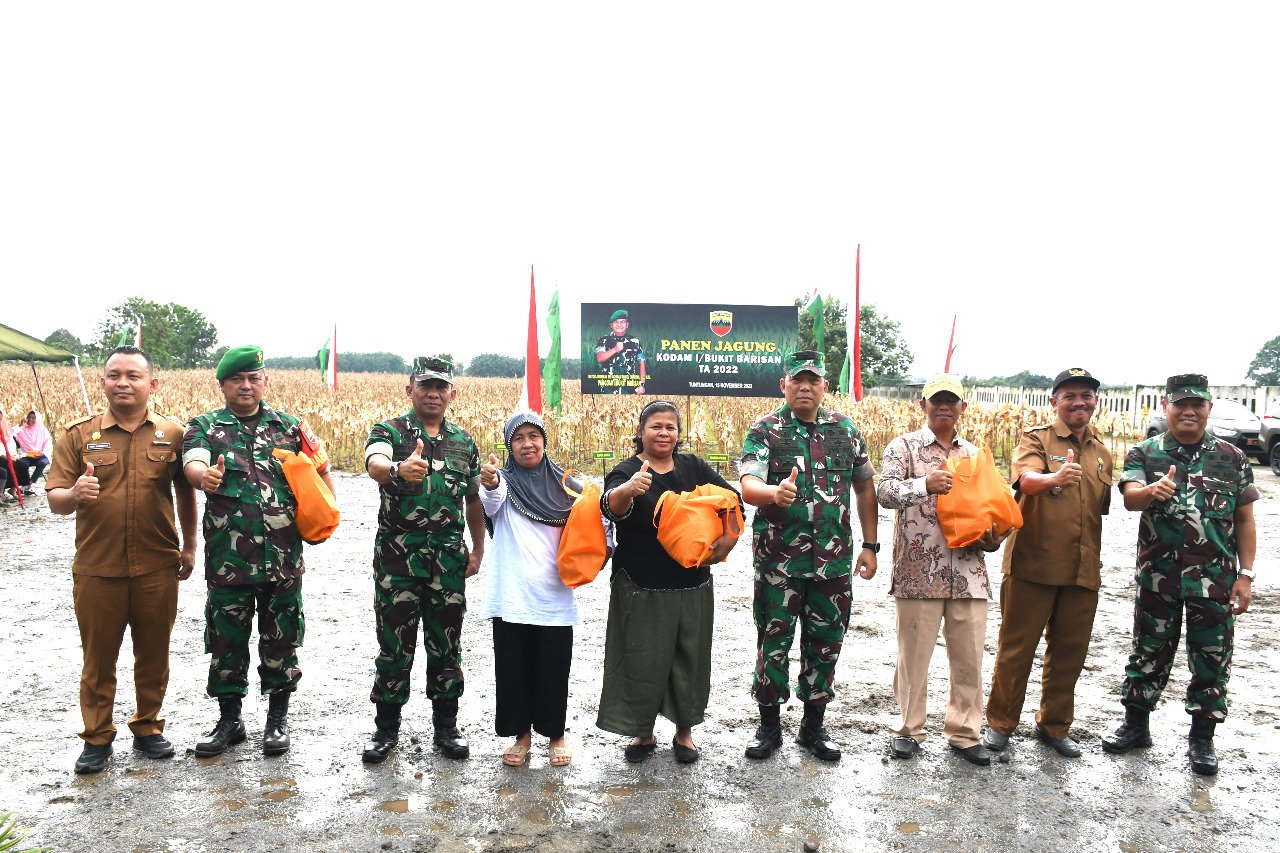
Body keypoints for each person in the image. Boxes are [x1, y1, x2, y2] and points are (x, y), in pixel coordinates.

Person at [44, 346, 198, 774]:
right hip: (98, 567)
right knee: (98, 657)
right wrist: (74, 495)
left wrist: (189, 547)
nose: (123, 383)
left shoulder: (173, 433)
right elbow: (55, 497)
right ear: (103, 382)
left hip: (156, 565)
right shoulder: (78, 435)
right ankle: (96, 737)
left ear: (152, 384)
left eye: (133, 375)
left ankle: (148, 727)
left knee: (154, 652)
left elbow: (185, 492)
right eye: (114, 375)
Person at [182, 345, 336, 758]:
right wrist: (205, 478)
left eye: (254, 378)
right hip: (229, 564)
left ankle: (276, 721)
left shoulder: (290, 427)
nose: (246, 386)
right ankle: (229, 721)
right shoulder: (204, 428)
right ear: (223, 385)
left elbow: (320, 471)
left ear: (264, 381)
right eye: (237, 379)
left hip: (282, 559)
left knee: (281, 641)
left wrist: (325, 517)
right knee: (226, 641)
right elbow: (192, 463)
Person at [1102, 374, 1258, 776]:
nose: (1188, 411)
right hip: (1159, 577)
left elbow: (1244, 518)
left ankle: (1202, 740)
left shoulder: (1232, 457)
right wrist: (1151, 491)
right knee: (1148, 652)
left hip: (1216, 580)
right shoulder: (1146, 452)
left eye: (1197, 405)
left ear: (1208, 409)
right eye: (1180, 405)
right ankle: (1136, 726)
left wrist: (1246, 575)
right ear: (1167, 408)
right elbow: (1130, 498)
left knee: (1211, 661)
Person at [738, 351, 879, 762]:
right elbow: (748, 483)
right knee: (773, 642)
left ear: (824, 387)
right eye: (797, 380)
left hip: (833, 563)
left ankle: (813, 728)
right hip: (779, 563)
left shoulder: (845, 430)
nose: (804, 387)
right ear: (783, 385)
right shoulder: (765, 430)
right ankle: (769, 729)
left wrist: (870, 545)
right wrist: (774, 493)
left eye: (812, 381)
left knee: (826, 643)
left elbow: (865, 487)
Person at [597, 400, 740, 763]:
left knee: (688, 657)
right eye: (656, 426)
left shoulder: (693, 466)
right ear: (641, 431)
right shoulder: (628, 470)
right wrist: (629, 489)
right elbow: (610, 505)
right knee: (641, 659)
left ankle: (684, 733)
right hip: (640, 584)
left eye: (670, 427)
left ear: (679, 433)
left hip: (691, 583)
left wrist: (727, 537)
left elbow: (732, 499)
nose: (663, 433)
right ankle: (642, 733)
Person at [876, 375, 1007, 766]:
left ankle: (965, 733)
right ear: (923, 406)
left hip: (969, 574)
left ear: (963, 408)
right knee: (913, 658)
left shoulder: (975, 455)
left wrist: (993, 538)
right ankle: (907, 729)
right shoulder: (904, 447)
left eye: (952, 401)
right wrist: (924, 484)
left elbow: (991, 505)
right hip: (919, 572)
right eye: (937, 401)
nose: (944, 407)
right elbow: (884, 492)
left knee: (969, 658)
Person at [983, 368, 1113, 759]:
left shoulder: (1103, 452)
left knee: (1071, 652)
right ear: (1054, 401)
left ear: (1094, 402)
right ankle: (1000, 724)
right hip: (1033, 566)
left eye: (1086, 395)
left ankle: (1054, 725)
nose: (1079, 402)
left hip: (1082, 569)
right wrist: (1055, 477)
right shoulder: (1035, 438)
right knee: (1016, 649)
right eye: (1069, 395)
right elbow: (1025, 482)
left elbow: (1097, 511)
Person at [361, 356, 484, 764]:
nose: (433, 393)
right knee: (394, 644)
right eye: (425, 385)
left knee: (446, 644)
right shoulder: (390, 431)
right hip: (398, 559)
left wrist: (478, 548)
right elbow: (374, 463)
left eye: (440, 386)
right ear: (409, 388)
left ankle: (446, 727)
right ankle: (385, 728)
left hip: (448, 561)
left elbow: (472, 499)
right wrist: (397, 468)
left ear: (452, 393)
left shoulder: (464, 442)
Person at [478, 411, 603, 767]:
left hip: (554, 594)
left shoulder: (566, 484)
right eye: (518, 438)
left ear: (544, 441)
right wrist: (487, 482)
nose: (527, 444)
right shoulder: (503, 481)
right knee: (513, 668)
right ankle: (522, 737)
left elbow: (598, 515)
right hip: (512, 595)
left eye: (534, 436)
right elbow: (491, 498)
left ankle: (556, 735)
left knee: (553, 668)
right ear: (509, 445)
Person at [594, 309, 648, 394]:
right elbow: (599, 358)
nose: (619, 325)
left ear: (627, 325)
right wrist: (614, 349)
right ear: (611, 325)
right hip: (608, 390)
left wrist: (642, 384)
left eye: (623, 322)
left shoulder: (635, 341)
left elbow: (641, 363)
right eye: (616, 322)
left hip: (629, 389)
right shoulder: (603, 340)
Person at [13, 409, 53, 495]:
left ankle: (29, 484)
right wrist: (20, 425)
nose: (30, 420)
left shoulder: (42, 430)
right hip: (28, 454)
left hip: (41, 454)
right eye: (29, 417)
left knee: (42, 463)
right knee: (21, 463)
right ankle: (24, 484)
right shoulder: (22, 429)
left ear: (37, 419)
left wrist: (42, 453)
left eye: (33, 418)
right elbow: (10, 434)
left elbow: (48, 442)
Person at [0, 406, 18, 503]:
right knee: (5, 465)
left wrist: (12, 456)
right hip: (2, 456)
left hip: (6, 455)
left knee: (15, 464)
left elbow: (11, 443)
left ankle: (12, 490)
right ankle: (1, 494)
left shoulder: (5, 427)